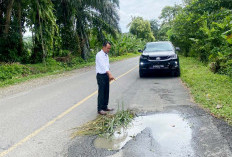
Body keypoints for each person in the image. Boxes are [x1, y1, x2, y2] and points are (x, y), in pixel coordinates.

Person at [96, 41, 115, 115]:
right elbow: (103, 65)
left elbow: (107, 66)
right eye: (107, 48)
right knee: (101, 92)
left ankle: (105, 107)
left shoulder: (106, 55)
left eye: (109, 48)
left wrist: (108, 74)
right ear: (103, 47)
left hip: (106, 75)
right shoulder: (99, 55)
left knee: (106, 91)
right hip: (101, 76)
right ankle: (100, 109)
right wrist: (110, 74)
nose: (108, 50)